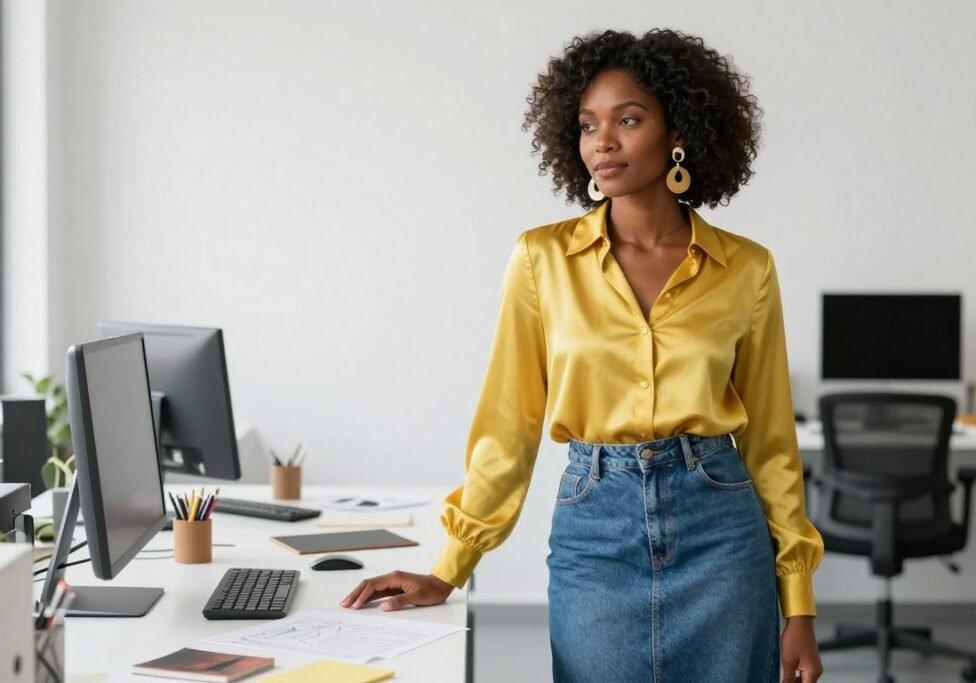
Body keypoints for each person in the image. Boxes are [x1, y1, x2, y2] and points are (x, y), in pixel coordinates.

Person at [341, 28, 824, 683]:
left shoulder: (746, 268)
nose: (603, 141)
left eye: (629, 119)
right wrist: (448, 565)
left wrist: (798, 604)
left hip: (721, 530)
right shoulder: (541, 260)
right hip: (597, 525)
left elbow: (772, 442)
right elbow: (509, 425)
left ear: (677, 129)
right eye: (588, 124)